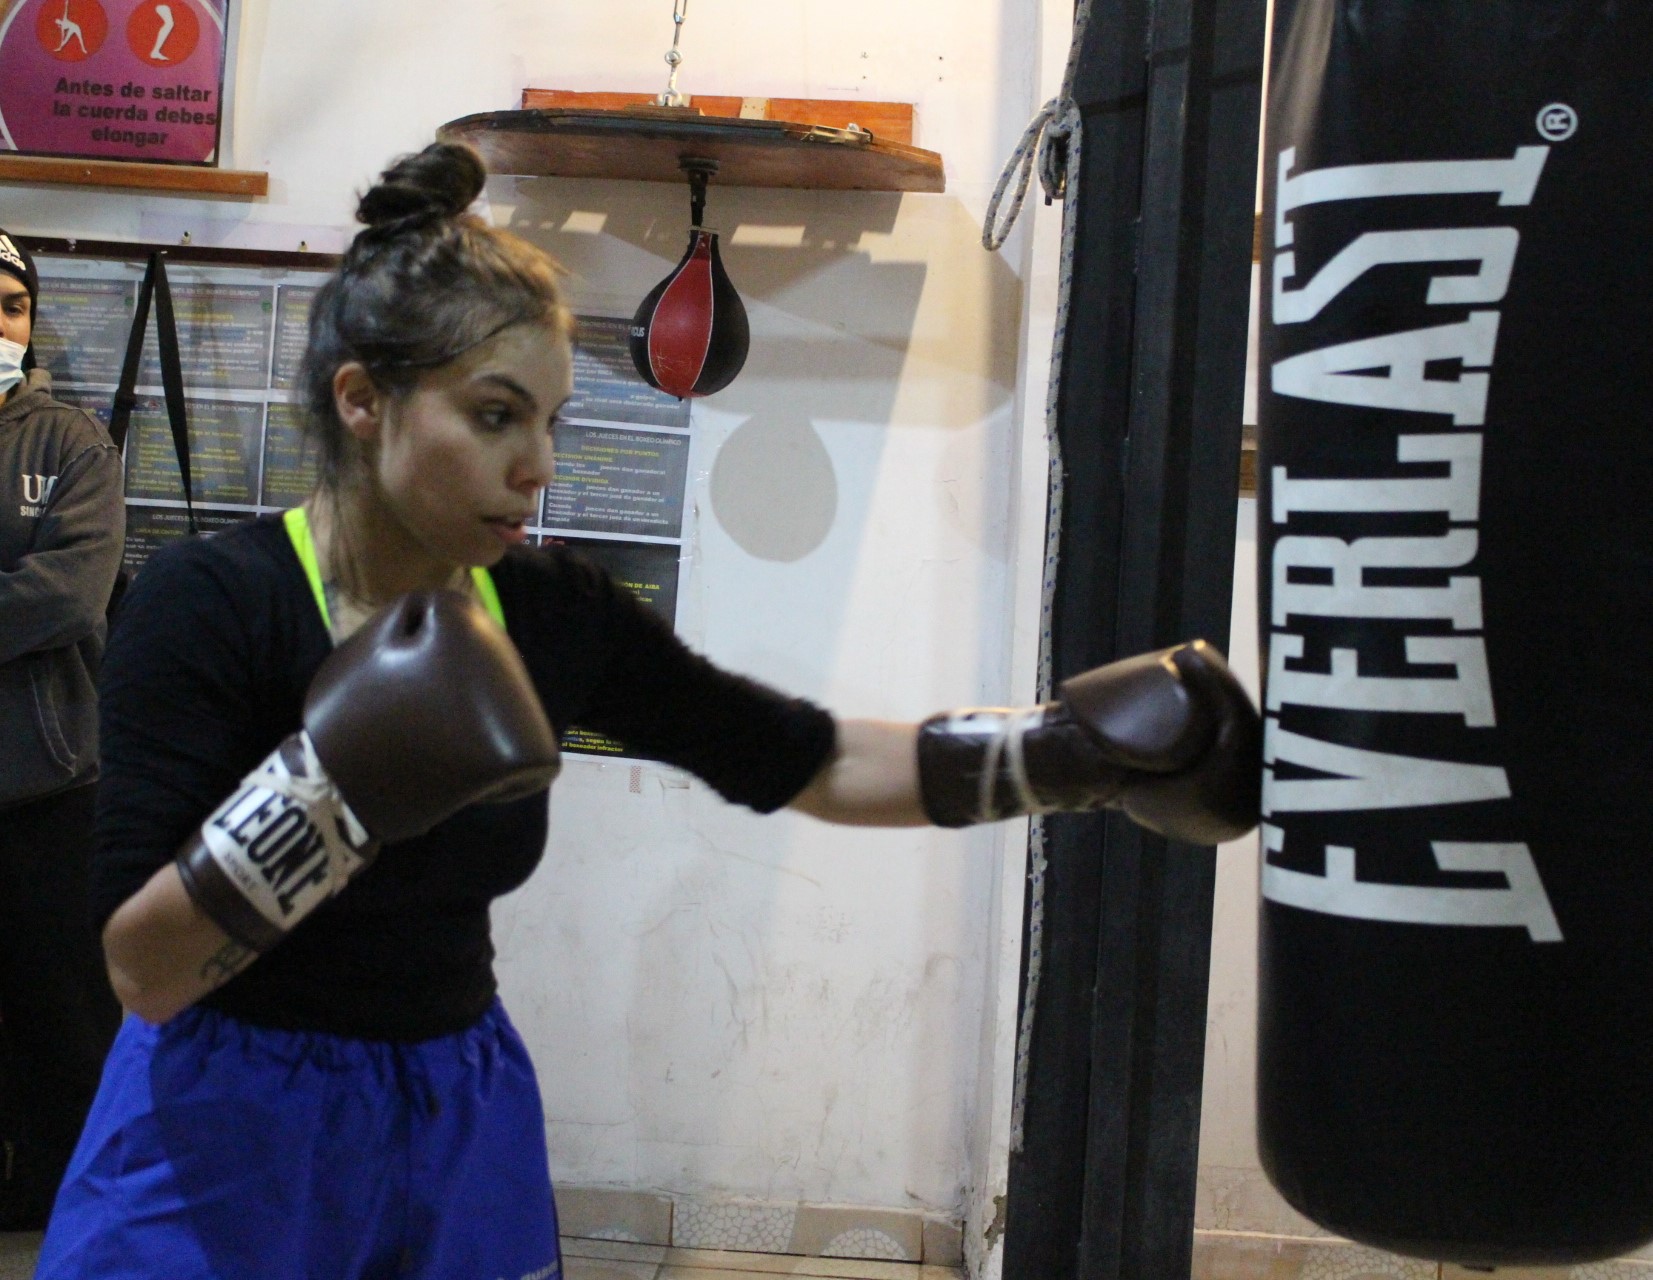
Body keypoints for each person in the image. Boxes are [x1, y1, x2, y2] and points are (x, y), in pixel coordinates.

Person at [32, 143, 1260, 1279]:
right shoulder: (213, 604)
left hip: (452, 1101)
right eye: (496, 415)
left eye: (550, 420)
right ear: (364, 400)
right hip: (226, 1109)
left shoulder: (547, 609)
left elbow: (801, 757)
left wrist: (1061, 755)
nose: (538, 465)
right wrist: (335, 791)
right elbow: (144, 968)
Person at [0, 229, 125, 1230]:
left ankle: (66, 1202)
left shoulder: (73, 444)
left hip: (43, 780)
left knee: (63, 1016)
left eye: (11, 305)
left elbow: (67, 596)